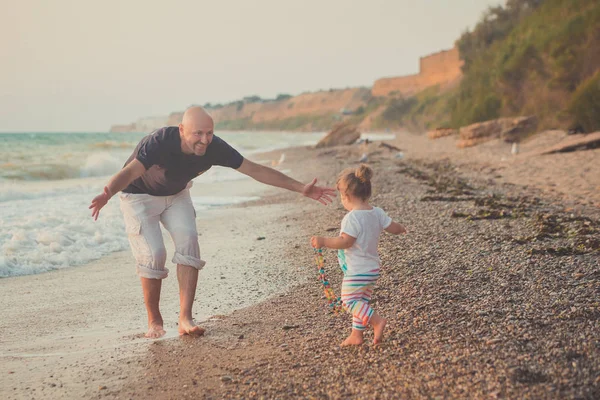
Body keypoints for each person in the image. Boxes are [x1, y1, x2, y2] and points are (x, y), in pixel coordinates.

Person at [89, 106, 336, 339]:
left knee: (189, 239)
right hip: (138, 196)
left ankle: (185, 319)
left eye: (209, 133)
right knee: (154, 253)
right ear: (182, 130)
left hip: (176, 194)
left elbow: (255, 170)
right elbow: (132, 171)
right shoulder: (159, 142)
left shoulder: (214, 148)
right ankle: (154, 320)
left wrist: (301, 188)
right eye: (198, 133)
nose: (204, 140)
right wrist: (107, 192)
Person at [310, 164, 406, 346]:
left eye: (340, 196)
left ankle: (377, 321)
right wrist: (401, 229)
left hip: (357, 271)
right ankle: (356, 335)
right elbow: (392, 226)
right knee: (360, 301)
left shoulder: (352, 218)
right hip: (372, 269)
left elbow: (346, 241)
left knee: (348, 301)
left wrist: (324, 241)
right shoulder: (376, 212)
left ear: (346, 196)